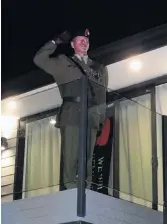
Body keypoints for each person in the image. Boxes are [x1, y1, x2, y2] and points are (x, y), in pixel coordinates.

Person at [33, 29, 108, 189]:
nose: (84, 42)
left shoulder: (99, 67)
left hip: (91, 115)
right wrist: (56, 41)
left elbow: (102, 94)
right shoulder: (62, 62)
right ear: (72, 44)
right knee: (70, 155)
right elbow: (39, 59)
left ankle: (86, 191)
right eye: (80, 39)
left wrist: (101, 118)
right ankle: (71, 190)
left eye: (86, 40)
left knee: (87, 157)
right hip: (71, 112)